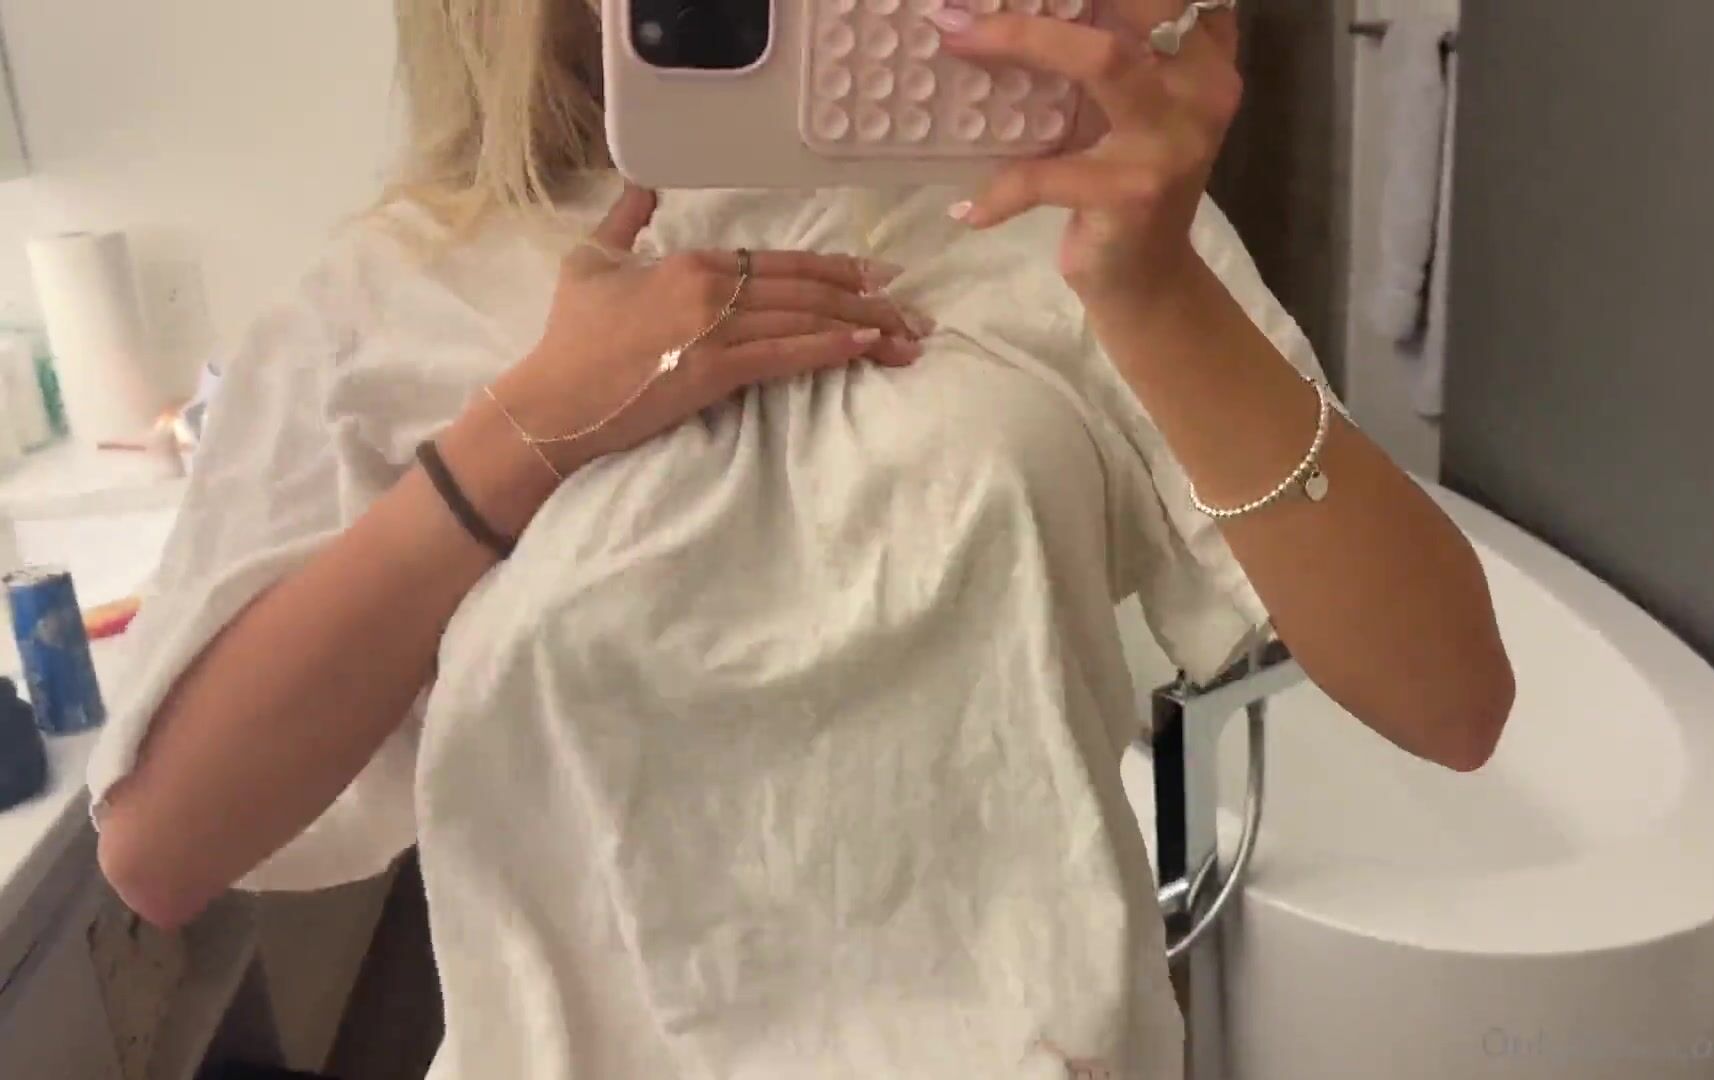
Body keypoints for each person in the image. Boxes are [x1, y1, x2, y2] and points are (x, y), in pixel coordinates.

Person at [89, 0, 1514, 1075]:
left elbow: (1452, 701)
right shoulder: (389, 296)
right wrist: (526, 437)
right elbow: (166, 848)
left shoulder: (1054, 210)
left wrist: (1153, 289)